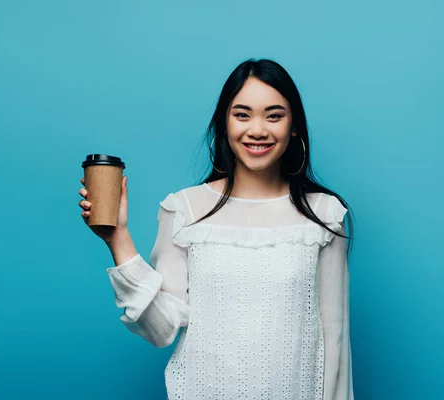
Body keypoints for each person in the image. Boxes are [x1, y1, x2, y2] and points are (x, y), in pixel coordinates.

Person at [78, 58, 354, 400]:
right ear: (223, 123)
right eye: (242, 114)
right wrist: (118, 238)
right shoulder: (185, 210)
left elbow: (334, 342)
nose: (257, 129)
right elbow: (160, 328)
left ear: (294, 125)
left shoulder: (324, 216)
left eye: (274, 115)